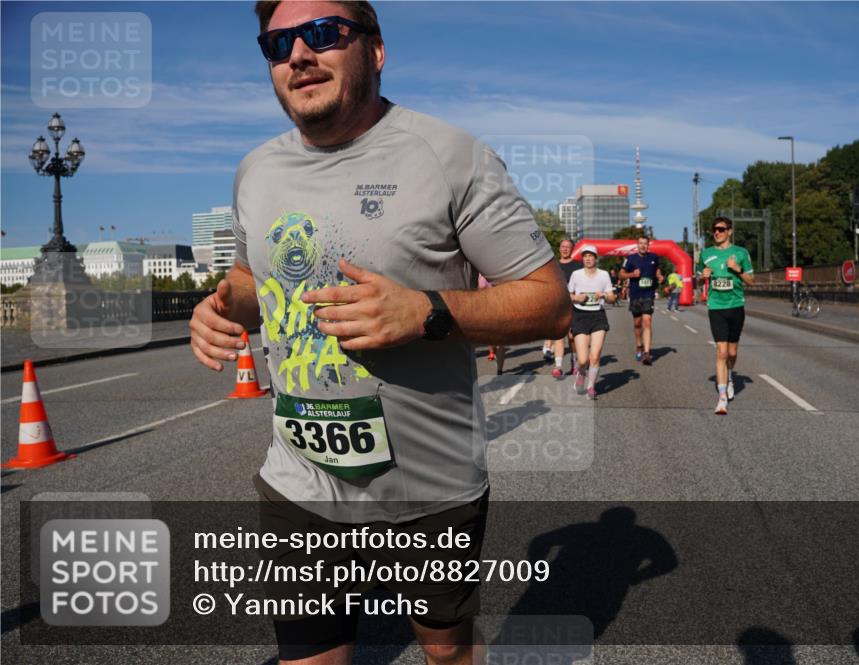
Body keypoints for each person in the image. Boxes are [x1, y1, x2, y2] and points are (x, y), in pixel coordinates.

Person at [188, 2, 571, 663]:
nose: (299, 55)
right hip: (301, 483)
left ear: (376, 50)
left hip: (430, 487)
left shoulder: (452, 157)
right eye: (278, 45)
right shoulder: (255, 170)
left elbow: (551, 304)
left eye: (322, 34)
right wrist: (220, 306)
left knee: (447, 653)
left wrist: (425, 312)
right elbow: (251, 283)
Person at [696, 216, 754, 415]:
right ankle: (722, 398)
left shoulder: (741, 253)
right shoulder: (706, 254)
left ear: (730, 231)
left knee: (732, 353)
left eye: (721, 229)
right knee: (721, 352)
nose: (717, 232)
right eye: (714, 229)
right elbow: (697, 278)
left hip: (736, 305)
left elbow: (751, 281)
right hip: (716, 307)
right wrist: (702, 276)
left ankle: (729, 376)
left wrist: (738, 269)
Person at [567, 245, 617, 399]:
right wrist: (577, 298)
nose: (587, 259)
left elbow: (612, 298)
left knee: (594, 356)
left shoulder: (604, 275)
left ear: (596, 258)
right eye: (585, 256)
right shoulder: (576, 274)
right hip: (580, 316)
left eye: (590, 256)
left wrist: (604, 296)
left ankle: (591, 387)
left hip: (598, 316)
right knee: (583, 360)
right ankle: (581, 373)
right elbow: (567, 296)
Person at [619, 235, 663, 365]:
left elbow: (657, 270)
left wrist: (659, 276)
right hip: (635, 295)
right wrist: (632, 274)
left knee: (647, 321)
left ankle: (647, 353)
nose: (643, 246)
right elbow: (621, 274)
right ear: (637, 245)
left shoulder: (654, 257)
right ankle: (639, 345)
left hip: (648, 294)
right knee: (637, 324)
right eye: (641, 243)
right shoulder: (630, 259)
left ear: (648, 245)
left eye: (645, 243)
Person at [550, 237, 582, 378]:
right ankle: (558, 366)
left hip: (573, 304)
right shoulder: (553, 265)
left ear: (572, 249)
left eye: (568, 247)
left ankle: (574, 362)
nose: (565, 249)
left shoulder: (578, 266)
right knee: (558, 334)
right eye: (563, 246)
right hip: (557, 304)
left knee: (571, 337)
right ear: (559, 248)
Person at [479, 274, 506, 374]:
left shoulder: (499, 274)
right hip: (487, 311)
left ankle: (499, 371)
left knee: (501, 343)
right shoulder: (480, 276)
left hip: (500, 310)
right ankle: (492, 351)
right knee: (492, 340)